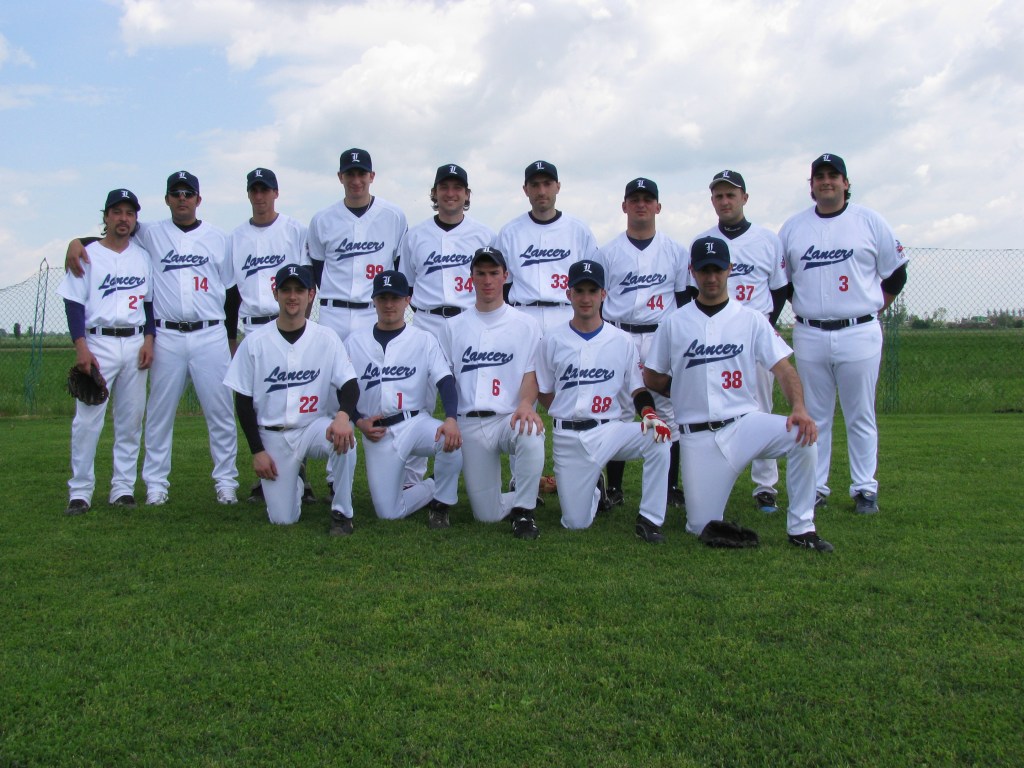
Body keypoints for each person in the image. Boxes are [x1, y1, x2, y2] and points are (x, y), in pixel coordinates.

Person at [643, 236, 834, 552]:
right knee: (701, 527)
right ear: (692, 272)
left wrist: (799, 408)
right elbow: (652, 375)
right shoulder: (674, 322)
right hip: (698, 436)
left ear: (730, 269)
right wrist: (682, 391)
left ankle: (802, 528)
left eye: (718, 269)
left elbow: (784, 369)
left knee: (803, 436)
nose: (712, 277)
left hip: (745, 424)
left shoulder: (751, 319)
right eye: (704, 270)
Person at [65, 171, 239, 506]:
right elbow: (112, 236)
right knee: (159, 414)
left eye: (188, 193)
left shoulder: (219, 238)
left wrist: (231, 339)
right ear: (167, 199)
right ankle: (156, 485)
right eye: (176, 193)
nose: (182, 198)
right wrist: (76, 242)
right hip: (167, 334)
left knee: (220, 413)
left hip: (211, 333)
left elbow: (232, 293)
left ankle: (226, 483)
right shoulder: (151, 233)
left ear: (198, 199)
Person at [778, 153, 908, 514]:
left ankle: (864, 489)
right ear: (811, 185)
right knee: (815, 416)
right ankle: (816, 487)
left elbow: (897, 274)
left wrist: (871, 307)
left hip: (858, 330)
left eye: (833, 175)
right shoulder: (793, 227)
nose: (826, 181)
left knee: (860, 414)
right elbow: (784, 282)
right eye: (819, 176)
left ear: (845, 183)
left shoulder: (869, 221)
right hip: (810, 331)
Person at [536, 259, 672, 542]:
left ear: (603, 294)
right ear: (568, 294)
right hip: (568, 438)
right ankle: (595, 488)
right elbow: (544, 391)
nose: (586, 298)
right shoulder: (552, 340)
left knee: (659, 437)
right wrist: (566, 410)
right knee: (575, 523)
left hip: (609, 431)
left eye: (592, 291)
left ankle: (650, 519)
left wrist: (649, 413)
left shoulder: (621, 340)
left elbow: (637, 389)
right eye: (580, 291)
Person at [224, 264, 359, 533]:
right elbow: (243, 402)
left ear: (311, 295)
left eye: (300, 290)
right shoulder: (255, 341)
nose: (293, 296)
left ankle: (342, 513)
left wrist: (343, 417)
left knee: (345, 439)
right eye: (286, 290)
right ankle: (294, 478)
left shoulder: (326, 337)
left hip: (313, 427)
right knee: (282, 519)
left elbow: (350, 385)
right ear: (276, 294)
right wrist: (257, 452)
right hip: (272, 434)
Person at [691, 170, 789, 514]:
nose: (725, 201)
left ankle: (765, 486)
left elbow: (780, 290)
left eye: (731, 194)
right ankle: (712, 476)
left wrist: (761, 328)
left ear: (744, 198)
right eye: (718, 195)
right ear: (712, 200)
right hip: (713, 338)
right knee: (711, 407)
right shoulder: (703, 241)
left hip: (754, 335)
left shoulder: (767, 240)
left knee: (761, 409)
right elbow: (692, 293)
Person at [57, 188, 154, 514]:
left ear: (135, 219)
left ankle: (122, 489)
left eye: (129, 213)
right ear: (106, 217)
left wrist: (150, 339)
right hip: (98, 343)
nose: (123, 218)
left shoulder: (142, 257)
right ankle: (80, 491)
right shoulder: (87, 254)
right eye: (117, 212)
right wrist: (81, 347)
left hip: (135, 342)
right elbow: (73, 303)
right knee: (87, 421)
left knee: (130, 421)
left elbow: (149, 304)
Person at [596, 177, 689, 510]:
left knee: (668, 411)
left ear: (658, 207)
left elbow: (683, 301)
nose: (640, 204)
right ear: (624, 206)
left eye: (647, 199)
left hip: (660, 335)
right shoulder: (607, 252)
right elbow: (598, 300)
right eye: (634, 199)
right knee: (619, 411)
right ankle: (614, 488)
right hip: (620, 333)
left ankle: (670, 486)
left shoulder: (676, 251)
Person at [442, 246, 546, 539]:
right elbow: (446, 379)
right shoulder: (452, 326)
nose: (487, 280)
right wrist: (450, 417)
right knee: (486, 515)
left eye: (493, 273)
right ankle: (524, 492)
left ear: (505, 276)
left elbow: (531, 373)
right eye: (481, 273)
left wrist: (526, 404)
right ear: (471, 277)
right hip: (470, 423)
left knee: (530, 431)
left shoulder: (526, 324)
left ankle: (524, 512)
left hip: (508, 418)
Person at [224, 167, 314, 504]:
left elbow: (308, 283)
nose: (260, 196)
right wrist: (232, 339)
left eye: (265, 190)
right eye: (255, 190)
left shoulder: (294, 230)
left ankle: (300, 475)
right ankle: (267, 476)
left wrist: (302, 324)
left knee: (294, 398)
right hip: (252, 325)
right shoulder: (235, 237)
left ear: (276, 193)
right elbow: (231, 294)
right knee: (261, 402)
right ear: (249, 194)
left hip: (289, 322)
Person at [346, 270, 463, 527]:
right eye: (383, 298)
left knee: (449, 440)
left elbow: (445, 381)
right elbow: (342, 390)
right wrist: (358, 421)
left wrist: (451, 419)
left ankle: (441, 504)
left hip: (415, 422)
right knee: (389, 513)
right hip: (378, 431)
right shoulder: (355, 342)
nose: (389, 304)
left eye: (395, 298)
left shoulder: (423, 339)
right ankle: (432, 485)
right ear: (374, 300)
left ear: (407, 300)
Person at [306, 148, 408, 341]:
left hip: (373, 311)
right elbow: (317, 269)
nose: (356, 180)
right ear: (340, 177)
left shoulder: (393, 216)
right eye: (349, 174)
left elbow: (400, 266)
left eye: (361, 174)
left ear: (372, 176)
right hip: (333, 312)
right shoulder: (322, 219)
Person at [497, 161, 599, 334]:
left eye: (547, 184)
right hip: (522, 314)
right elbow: (502, 285)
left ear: (558, 187)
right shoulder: (509, 232)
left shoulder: (579, 230)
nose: (542, 191)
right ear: (525, 190)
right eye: (535, 185)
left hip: (567, 313)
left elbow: (594, 281)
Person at [399, 163, 497, 339]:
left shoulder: (485, 235)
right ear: (434, 193)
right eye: (444, 187)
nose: (450, 193)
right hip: (426, 323)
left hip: (470, 320)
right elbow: (408, 286)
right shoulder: (414, 235)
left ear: (467, 194)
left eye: (457, 188)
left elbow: (496, 284)